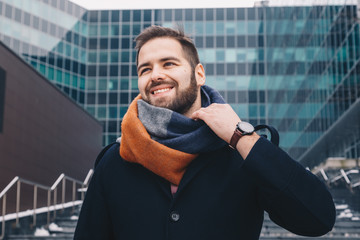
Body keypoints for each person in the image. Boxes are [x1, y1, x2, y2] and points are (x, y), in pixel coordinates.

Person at [74, 25, 335, 240]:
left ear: (199, 74)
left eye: (168, 64)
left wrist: (241, 138)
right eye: (145, 69)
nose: (155, 75)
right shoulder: (116, 160)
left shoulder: (240, 152)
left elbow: (317, 218)